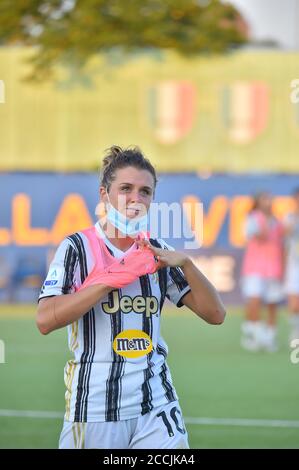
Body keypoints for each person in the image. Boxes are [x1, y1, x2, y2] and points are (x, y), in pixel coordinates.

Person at [36, 145, 226, 449]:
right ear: (104, 194)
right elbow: (45, 320)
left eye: (145, 191)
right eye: (126, 188)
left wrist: (187, 264)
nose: (136, 199)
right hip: (95, 409)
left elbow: (216, 315)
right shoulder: (76, 248)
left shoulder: (157, 251)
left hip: (157, 405)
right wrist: (113, 278)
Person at [240, 191, 284, 352]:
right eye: (265, 199)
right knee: (254, 301)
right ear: (258, 202)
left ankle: (270, 336)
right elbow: (258, 235)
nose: (269, 202)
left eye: (270, 199)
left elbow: (282, 243)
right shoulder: (253, 219)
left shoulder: (278, 222)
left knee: (273, 303)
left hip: (274, 268)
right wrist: (265, 220)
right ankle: (255, 335)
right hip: (255, 268)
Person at [283, 187, 299, 345]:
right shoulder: (290, 217)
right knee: (294, 302)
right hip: (294, 265)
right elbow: (285, 234)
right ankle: (296, 331)